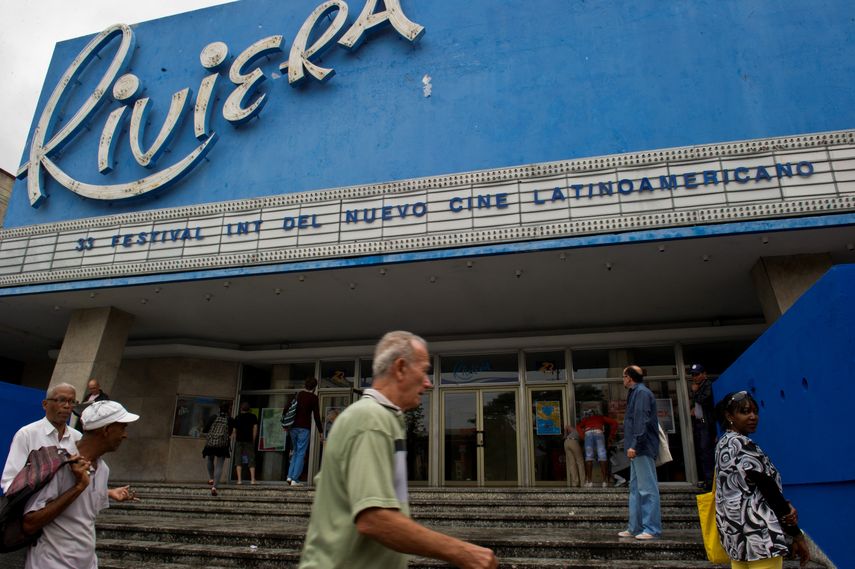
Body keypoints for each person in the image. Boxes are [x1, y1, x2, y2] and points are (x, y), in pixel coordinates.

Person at [299, 331, 498, 569]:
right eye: (423, 371)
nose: (428, 383)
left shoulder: (385, 419)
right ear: (401, 368)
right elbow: (375, 519)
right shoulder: (371, 420)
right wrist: (463, 552)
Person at [22, 400, 140, 569]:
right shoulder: (60, 463)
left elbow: (85, 520)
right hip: (50, 563)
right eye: (122, 427)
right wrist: (78, 487)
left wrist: (108, 492)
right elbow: (30, 522)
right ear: (106, 430)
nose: (125, 435)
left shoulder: (103, 469)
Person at [714, 391, 810, 569]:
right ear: (729, 416)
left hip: (736, 538)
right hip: (760, 536)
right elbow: (768, 489)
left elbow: (746, 490)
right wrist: (796, 534)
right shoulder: (742, 445)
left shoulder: (723, 443)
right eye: (745, 412)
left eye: (755, 412)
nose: (753, 417)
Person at [2, 383, 82, 493]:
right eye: (61, 400)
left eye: (72, 401)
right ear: (45, 404)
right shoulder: (27, 434)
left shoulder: (78, 437)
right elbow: (10, 481)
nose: (67, 406)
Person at [617, 365, 662, 541]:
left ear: (629, 377)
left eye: (623, 376)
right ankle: (635, 527)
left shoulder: (642, 393)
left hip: (642, 448)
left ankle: (652, 528)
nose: (622, 379)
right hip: (636, 449)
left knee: (647, 488)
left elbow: (641, 421)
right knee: (635, 489)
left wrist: (634, 445)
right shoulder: (635, 393)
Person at [285, 377, 324, 486]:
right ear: (315, 387)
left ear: (305, 385)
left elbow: (286, 408)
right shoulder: (313, 398)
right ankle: (294, 479)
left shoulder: (297, 395)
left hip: (293, 428)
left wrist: (285, 424)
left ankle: (289, 476)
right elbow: (316, 416)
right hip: (304, 428)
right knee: (301, 453)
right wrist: (320, 431)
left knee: (295, 451)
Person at [575, 408, 618, 487]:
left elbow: (578, 426)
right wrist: (611, 436)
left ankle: (589, 481)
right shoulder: (600, 417)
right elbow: (614, 423)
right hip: (599, 432)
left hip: (588, 433)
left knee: (589, 457)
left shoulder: (586, 419)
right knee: (602, 456)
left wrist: (583, 436)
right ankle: (605, 481)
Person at [688, 363, 715, 490]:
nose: (695, 377)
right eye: (693, 375)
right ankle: (707, 479)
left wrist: (695, 392)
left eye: (697, 374)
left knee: (707, 452)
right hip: (699, 423)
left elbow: (704, 400)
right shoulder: (699, 386)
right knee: (702, 453)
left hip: (706, 424)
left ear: (704, 374)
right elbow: (697, 403)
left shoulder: (707, 385)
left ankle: (710, 482)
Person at [202, 402, 233, 496]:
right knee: (219, 465)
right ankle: (214, 487)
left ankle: (211, 478)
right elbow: (230, 432)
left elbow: (205, 430)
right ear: (228, 410)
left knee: (210, 459)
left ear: (219, 409)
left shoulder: (213, 417)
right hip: (222, 445)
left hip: (211, 443)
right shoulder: (230, 419)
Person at [233, 401, 259, 484]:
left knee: (238, 459)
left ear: (241, 409)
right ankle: (252, 480)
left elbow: (234, 430)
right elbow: (255, 429)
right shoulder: (253, 416)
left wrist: (235, 439)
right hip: (249, 440)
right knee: (251, 458)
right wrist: (253, 439)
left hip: (239, 440)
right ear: (249, 409)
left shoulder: (237, 417)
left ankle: (239, 480)